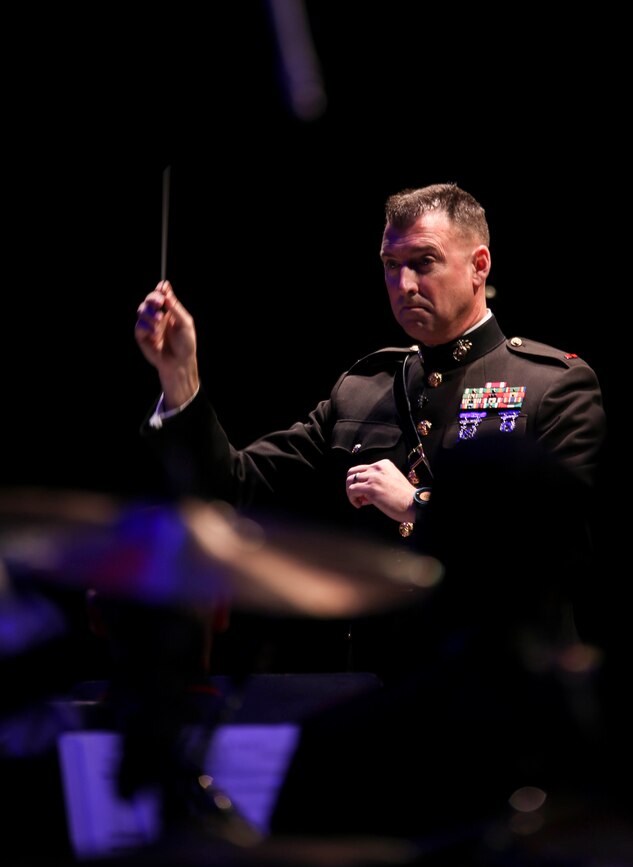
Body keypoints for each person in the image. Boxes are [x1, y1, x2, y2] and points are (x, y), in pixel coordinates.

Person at [133, 182, 607, 683]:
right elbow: (234, 486)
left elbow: (559, 546)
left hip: (509, 695)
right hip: (380, 693)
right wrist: (179, 376)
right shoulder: (364, 388)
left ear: (479, 266)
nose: (403, 285)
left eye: (423, 262)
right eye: (390, 265)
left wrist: (419, 504)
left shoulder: (552, 385)